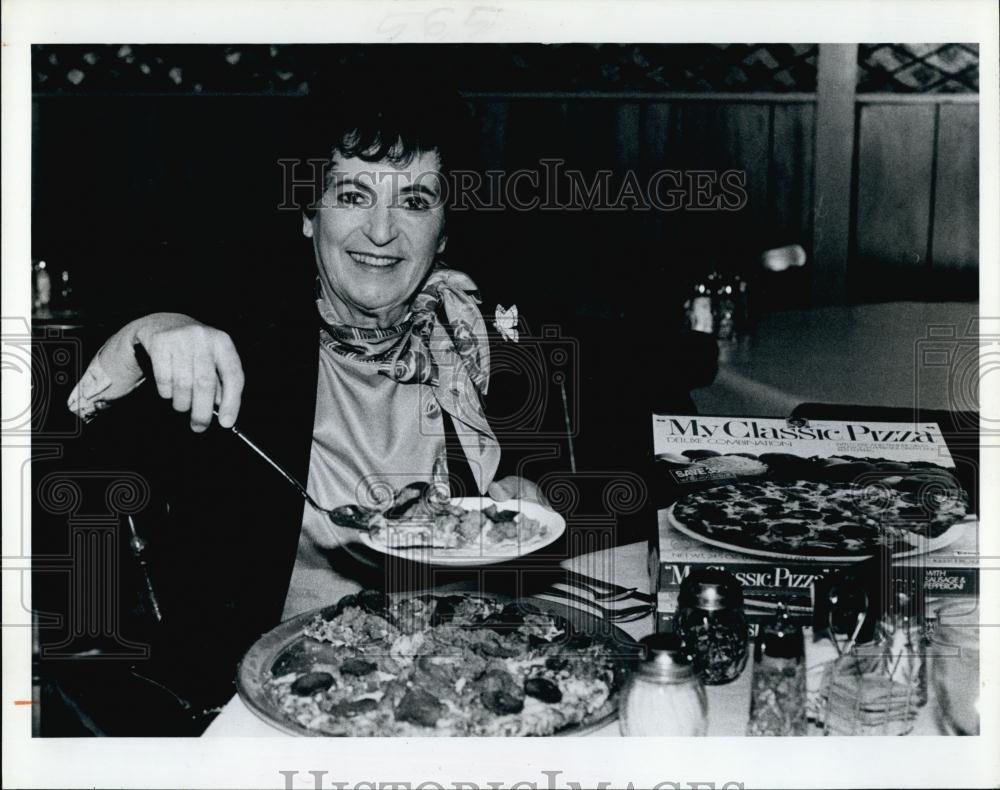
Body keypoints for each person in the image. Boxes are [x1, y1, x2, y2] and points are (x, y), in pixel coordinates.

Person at [59, 83, 552, 732]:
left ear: (445, 226)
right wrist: (139, 341)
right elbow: (56, 504)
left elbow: (527, 502)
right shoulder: (243, 355)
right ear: (307, 213)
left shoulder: (466, 339)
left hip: (456, 702)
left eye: (415, 199)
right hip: (277, 713)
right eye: (352, 195)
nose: (381, 230)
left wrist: (520, 493)